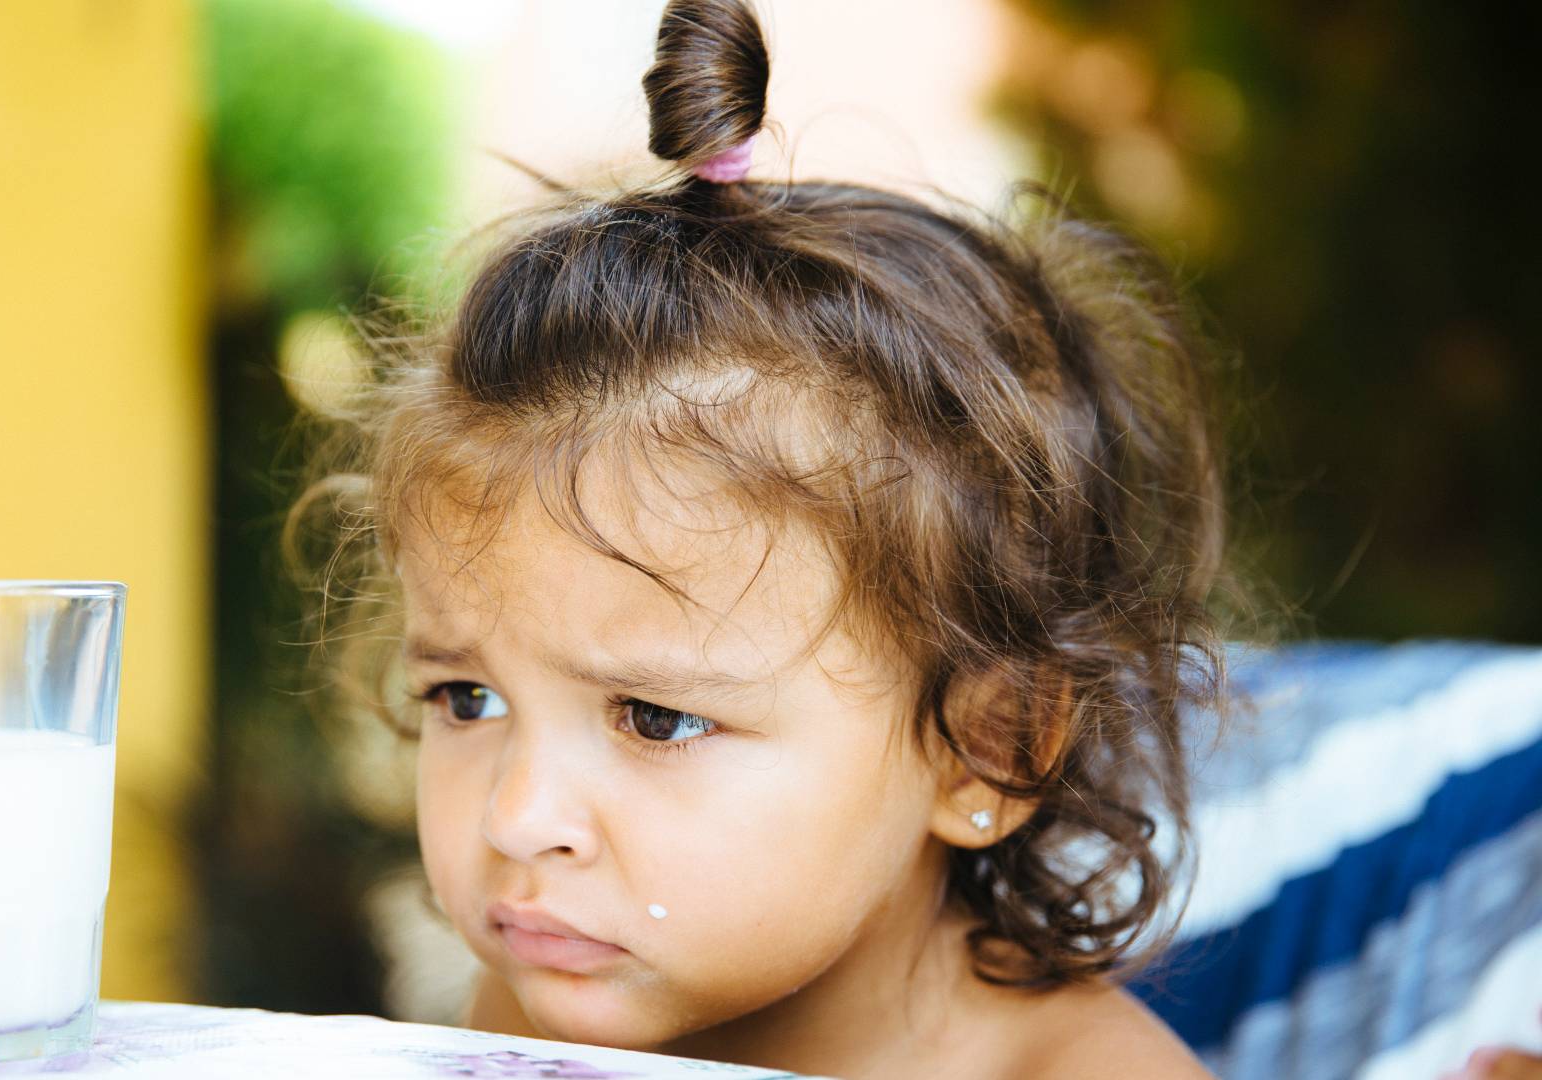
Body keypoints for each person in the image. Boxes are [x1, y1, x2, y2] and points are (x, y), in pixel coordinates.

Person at [290, 0, 1256, 1075]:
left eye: (655, 718)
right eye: (466, 699)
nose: (519, 822)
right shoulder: (535, 1022)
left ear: (987, 751)